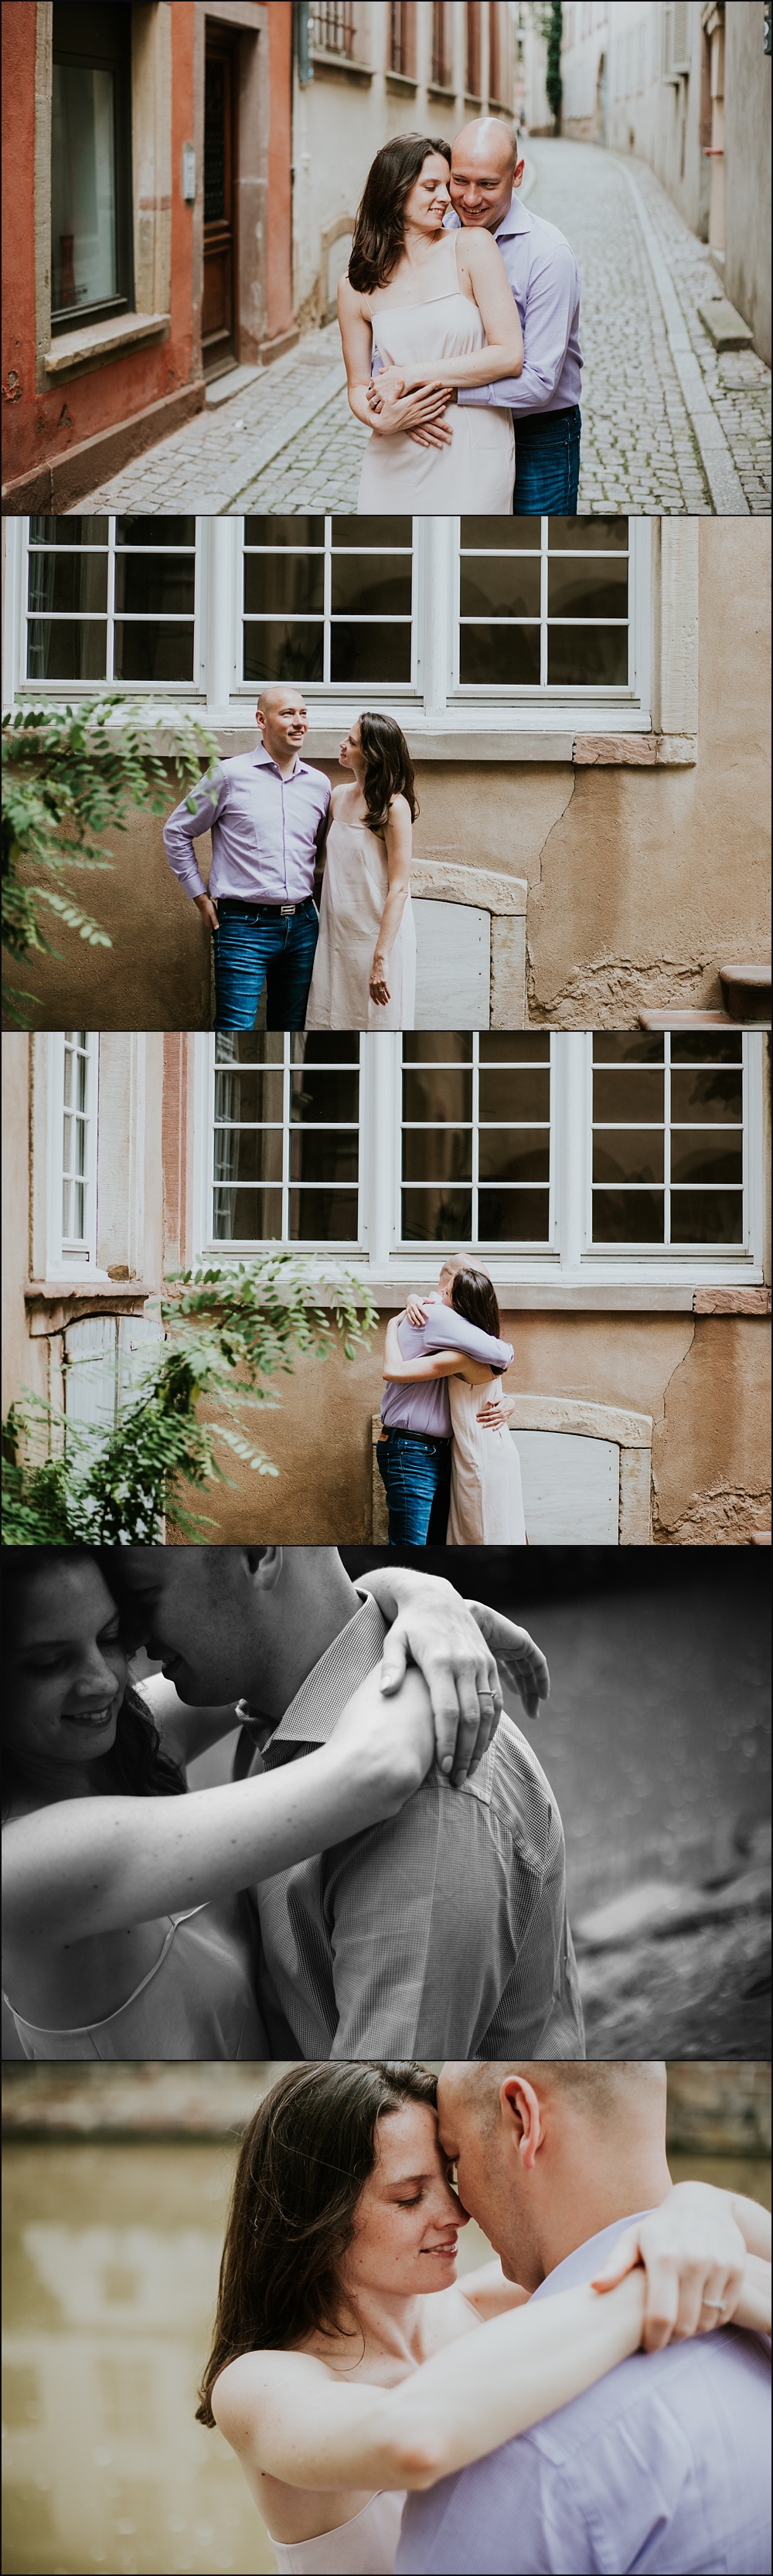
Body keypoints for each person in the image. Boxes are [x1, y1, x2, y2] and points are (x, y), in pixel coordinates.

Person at [200, 2062, 771, 2576]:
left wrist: (702, 2206)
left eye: (448, 2180)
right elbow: (409, 2438)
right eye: (408, 2197)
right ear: (316, 2216)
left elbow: (610, 2237)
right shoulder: (257, 2384)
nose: (455, 2213)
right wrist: (652, 2281)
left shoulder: (492, 2302)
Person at [1, 1550, 532, 2060]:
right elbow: (378, 1770)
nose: (104, 1678)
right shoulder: (25, 1862)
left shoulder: (116, 1745)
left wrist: (421, 1597)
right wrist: (428, 1650)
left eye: (110, 1635)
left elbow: (314, 1630)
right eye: (50, 1661)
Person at [134, 1544, 581, 2063]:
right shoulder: (271, 1715)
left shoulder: (430, 1801)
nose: (132, 1636)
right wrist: (412, 1587)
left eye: (145, 1593)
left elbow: (378, 2117)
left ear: (258, 1552)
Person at [397, 2062, 772, 2574]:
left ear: (523, 2118)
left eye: (457, 2161)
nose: (461, 2211)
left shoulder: (507, 2444)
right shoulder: (759, 2308)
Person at [397, 119, 583, 516]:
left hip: (539, 435)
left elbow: (539, 383)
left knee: (533, 549)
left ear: (517, 175)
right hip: (455, 428)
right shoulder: (434, 233)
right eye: (459, 181)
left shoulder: (549, 256)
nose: (469, 198)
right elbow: (399, 320)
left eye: (487, 184)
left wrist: (445, 394)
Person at [339, 134, 520, 512]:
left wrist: (408, 376)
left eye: (445, 185)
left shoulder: (473, 246)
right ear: (395, 190)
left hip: (470, 446)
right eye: (430, 186)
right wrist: (383, 419)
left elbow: (508, 355)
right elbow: (357, 386)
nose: (447, 198)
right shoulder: (354, 286)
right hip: (394, 453)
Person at [162, 687, 329, 1031]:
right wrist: (199, 897)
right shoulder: (228, 776)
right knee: (233, 1028)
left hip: (303, 927)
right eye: (288, 714)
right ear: (261, 720)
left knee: (291, 1029)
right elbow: (177, 832)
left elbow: (320, 853)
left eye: (304, 713)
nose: (299, 723)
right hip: (242, 928)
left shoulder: (320, 785)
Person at [383, 1264, 526, 1544]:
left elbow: (500, 1361)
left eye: (447, 1291)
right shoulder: (451, 1329)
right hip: (427, 1451)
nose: (439, 1294)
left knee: (482, 1536)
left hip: (470, 1454)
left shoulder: (460, 1348)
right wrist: (409, 1303)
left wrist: (393, 1323)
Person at [306, 713, 417, 1029]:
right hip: (336, 939)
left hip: (377, 940)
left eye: (352, 742)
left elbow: (399, 888)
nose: (342, 744)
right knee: (329, 1020)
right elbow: (322, 868)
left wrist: (380, 959)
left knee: (378, 1024)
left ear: (372, 756)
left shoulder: (394, 807)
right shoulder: (338, 796)